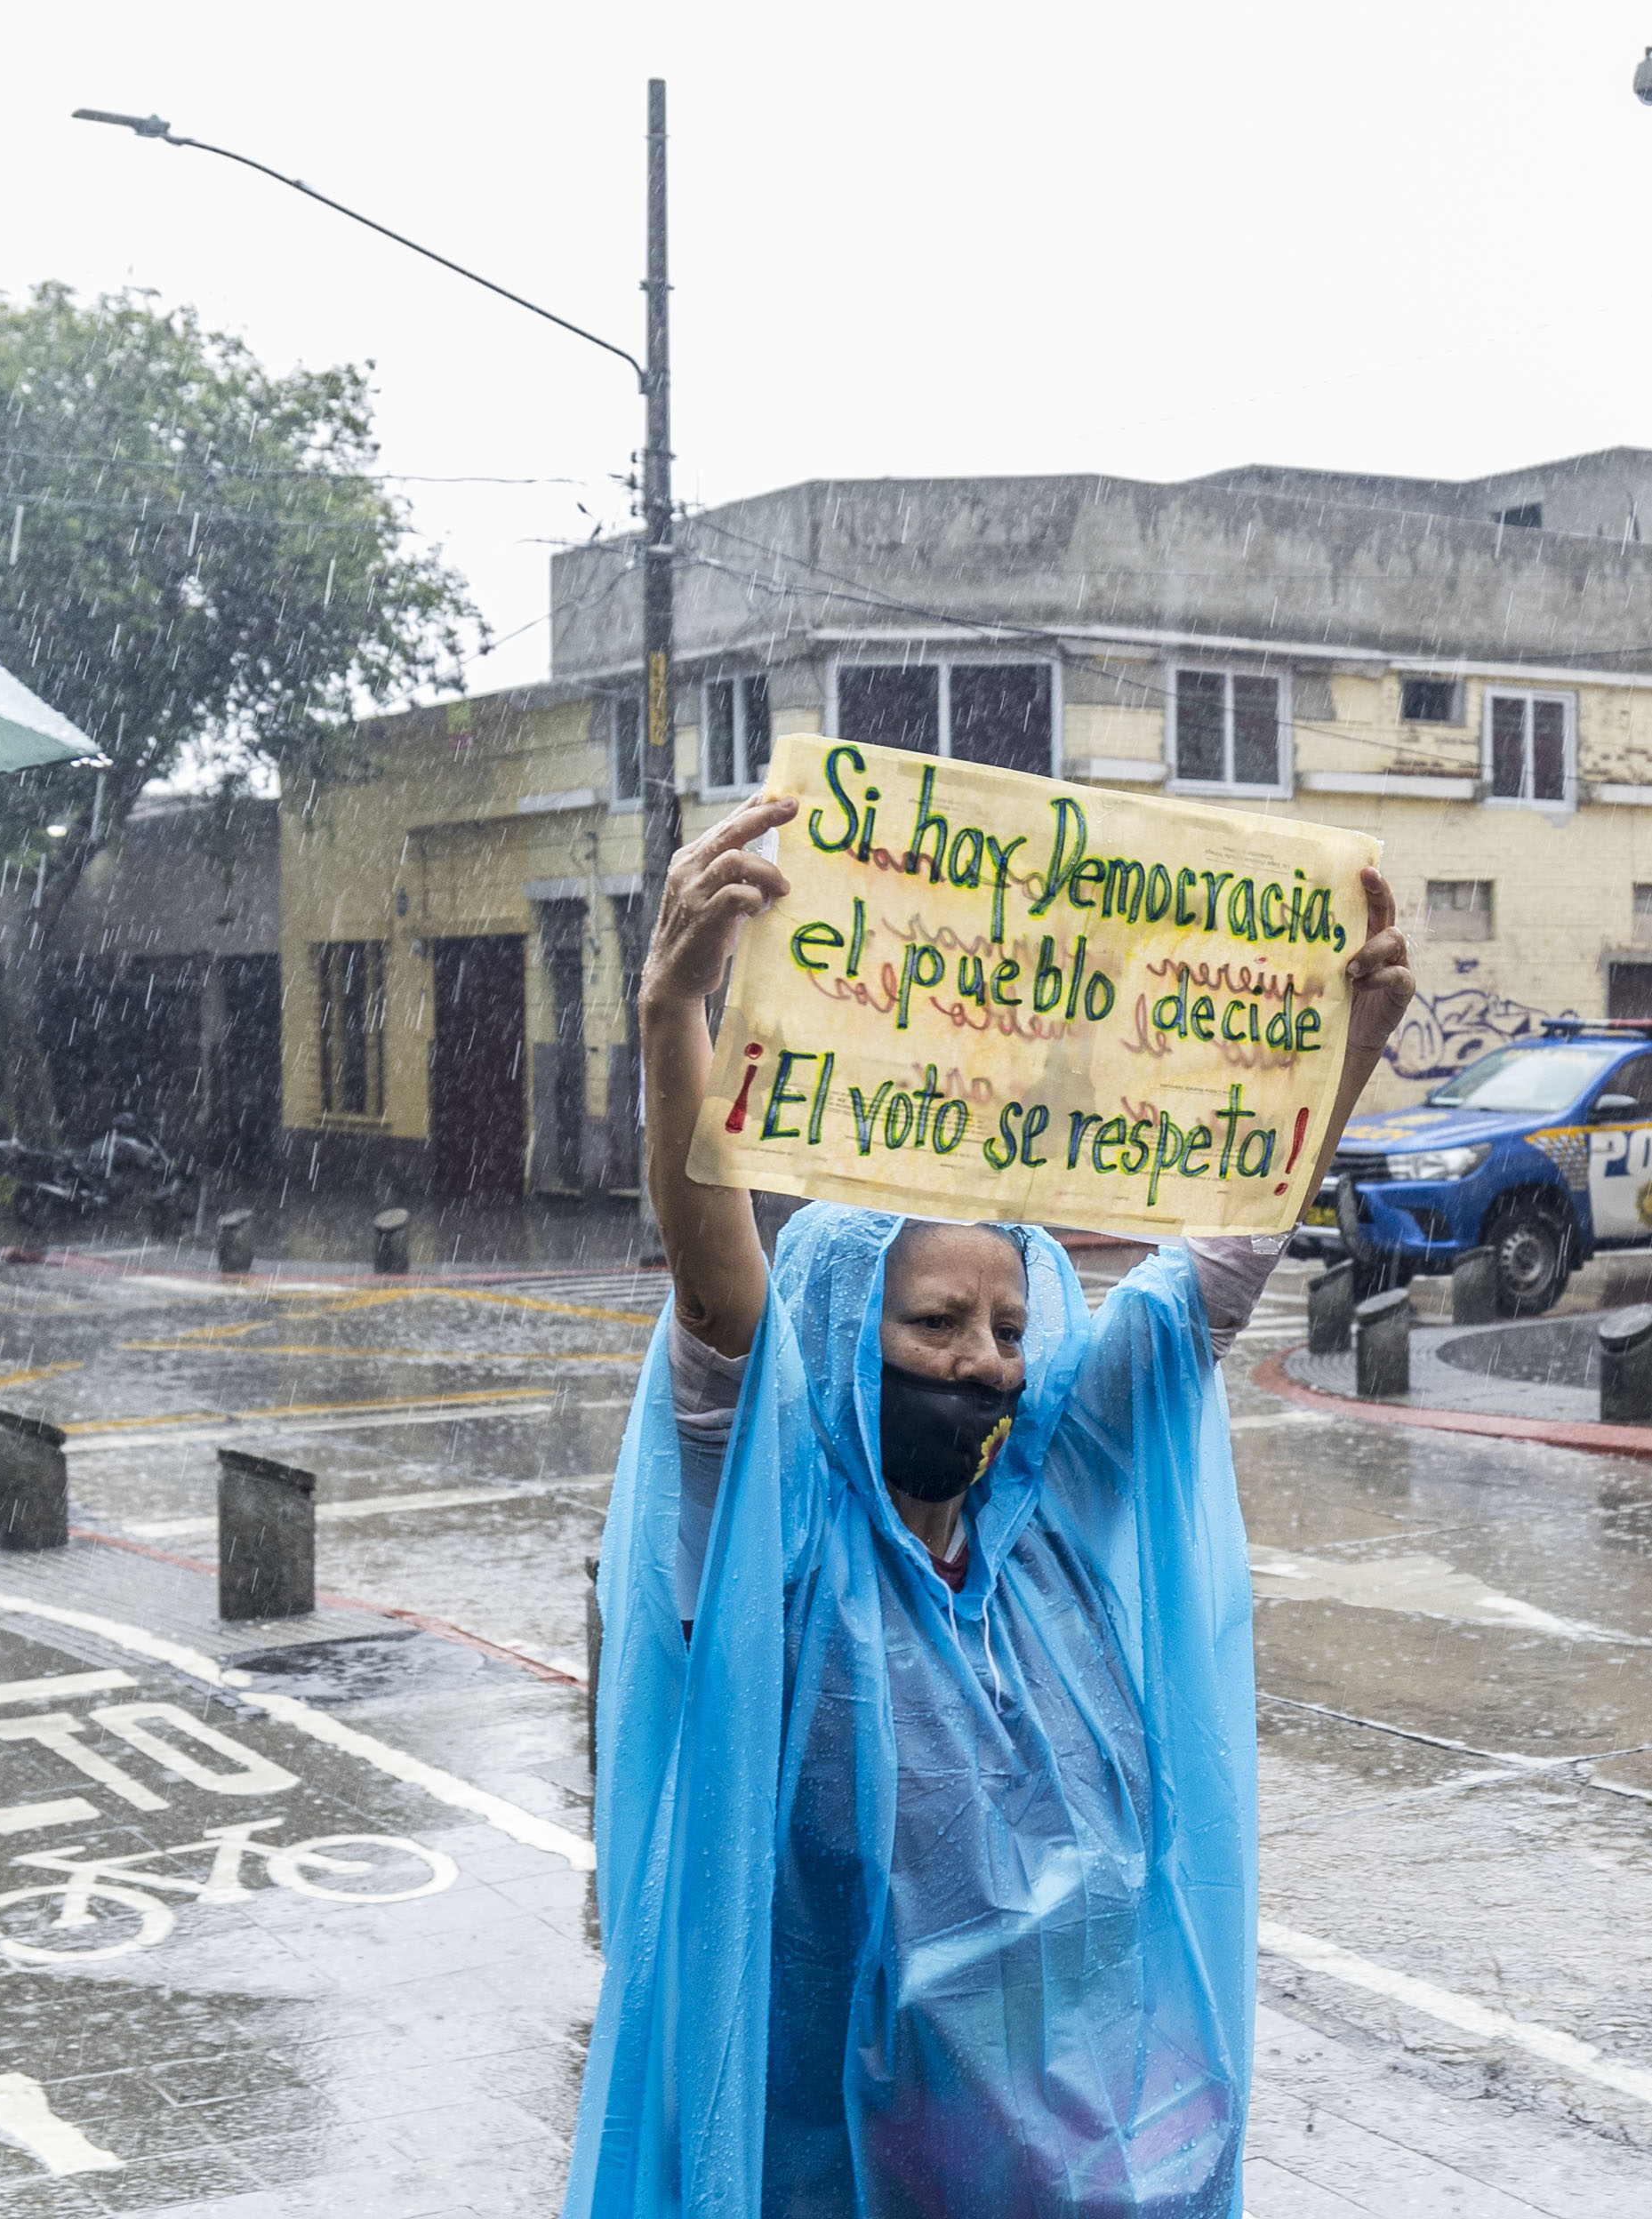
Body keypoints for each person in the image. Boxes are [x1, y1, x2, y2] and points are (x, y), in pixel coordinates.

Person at [565, 792, 1415, 2217]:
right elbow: (719, 1313)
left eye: (1013, 1332)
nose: (983, 1361)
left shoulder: (1051, 1530)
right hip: (829, 2164)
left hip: (1082, 2160)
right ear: (844, 1335)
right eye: (940, 1322)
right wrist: (675, 1020)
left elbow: (1217, 1270)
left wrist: (1346, 1047)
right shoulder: (780, 1544)